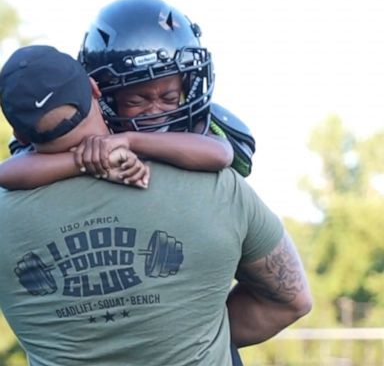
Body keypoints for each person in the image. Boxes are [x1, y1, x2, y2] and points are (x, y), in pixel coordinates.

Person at [0, 45, 312, 366]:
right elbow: (291, 301)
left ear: (20, 133)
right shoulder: (215, 185)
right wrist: (191, 335)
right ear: (96, 89)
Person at [0, 0, 255, 190]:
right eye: (136, 99)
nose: (155, 110)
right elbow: (8, 172)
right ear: (105, 94)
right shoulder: (93, 131)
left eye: (168, 97)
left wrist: (129, 141)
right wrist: (88, 161)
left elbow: (220, 153)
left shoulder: (195, 125)